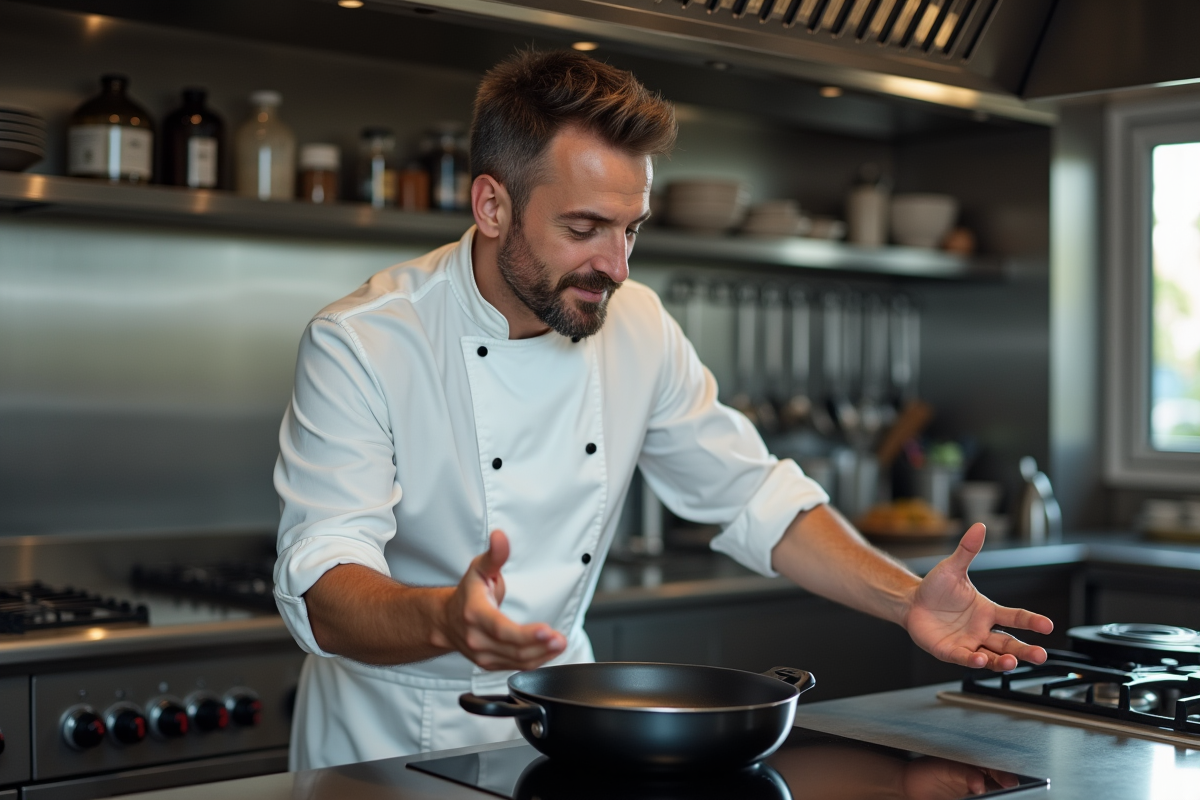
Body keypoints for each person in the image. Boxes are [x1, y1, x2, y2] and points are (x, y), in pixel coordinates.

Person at [273, 49, 1053, 771]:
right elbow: (325, 581)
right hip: (379, 747)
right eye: (583, 229)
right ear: (491, 206)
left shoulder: (637, 322)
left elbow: (755, 496)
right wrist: (448, 619)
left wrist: (907, 597)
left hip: (560, 725)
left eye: (630, 230)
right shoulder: (365, 340)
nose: (614, 266)